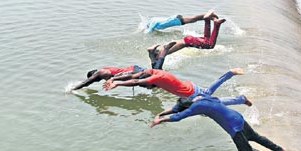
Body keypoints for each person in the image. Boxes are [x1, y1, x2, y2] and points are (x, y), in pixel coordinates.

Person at [150, 95, 286, 151]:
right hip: (238, 118)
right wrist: (160, 113)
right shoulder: (202, 98)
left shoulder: (195, 107)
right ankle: (280, 150)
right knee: (255, 137)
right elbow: (177, 109)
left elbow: (178, 116)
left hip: (233, 126)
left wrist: (160, 120)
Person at [103, 68, 242, 99]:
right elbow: (134, 75)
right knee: (209, 94)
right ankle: (230, 74)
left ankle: (240, 99)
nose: (150, 87)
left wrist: (118, 84)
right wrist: (114, 79)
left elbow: (136, 80)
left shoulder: (156, 78)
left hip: (192, 93)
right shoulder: (153, 71)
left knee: (213, 103)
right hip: (191, 86)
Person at [151, 15, 227, 59]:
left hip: (188, 42)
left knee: (210, 45)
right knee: (207, 39)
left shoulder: (163, 53)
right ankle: (207, 19)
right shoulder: (164, 48)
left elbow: (158, 59)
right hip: (187, 40)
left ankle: (217, 23)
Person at [69, 64, 146, 91]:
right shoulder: (105, 72)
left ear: (94, 75)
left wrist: (72, 89)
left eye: (94, 80)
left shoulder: (100, 72)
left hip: (134, 71)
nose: (96, 81)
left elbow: (86, 82)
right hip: (134, 69)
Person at [145, 9, 216, 34]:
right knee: (193, 20)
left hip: (176, 20)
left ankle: (209, 13)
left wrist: (143, 33)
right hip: (175, 19)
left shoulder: (153, 24)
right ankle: (209, 16)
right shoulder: (153, 20)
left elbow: (149, 31)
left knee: (193, 19)